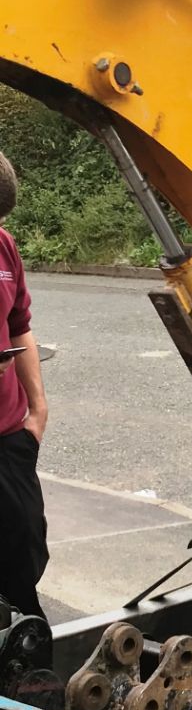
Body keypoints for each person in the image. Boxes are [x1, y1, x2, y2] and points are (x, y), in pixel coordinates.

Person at [0, 153, 48, 617]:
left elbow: (19, 324)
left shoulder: (4, 246)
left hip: (10, 435)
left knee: (24, 548)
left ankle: (26, 669)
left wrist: (38, 409)